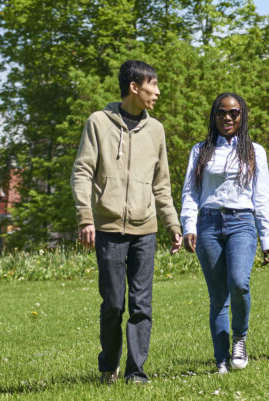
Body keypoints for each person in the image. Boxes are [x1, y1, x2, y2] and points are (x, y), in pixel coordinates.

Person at [71, 59, 183, 385]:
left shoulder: (156, 130)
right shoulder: (98, 123)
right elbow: (82, 172)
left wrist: (172, 224)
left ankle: (136, 372)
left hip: (145, 228)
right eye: (153, 86)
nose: (158, 92)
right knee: (112, 305)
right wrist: (85, 218)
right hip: (107, 228)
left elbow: (161, 184)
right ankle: (109, 366)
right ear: (134, 87)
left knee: (141, 305)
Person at [181, 93, 269, 374]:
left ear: (242, 115)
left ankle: (240, 340)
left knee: (239, 283)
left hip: (242, 223)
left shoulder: (254, 151)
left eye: (233, 113)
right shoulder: (201, 150)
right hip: (208, 224)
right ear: (214, 116)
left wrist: (266, 237)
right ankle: (221, 359)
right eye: (221, 113)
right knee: (218, 295)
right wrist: (189, 226)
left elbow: (261, 198)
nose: (227, 118)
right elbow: (190, 192)